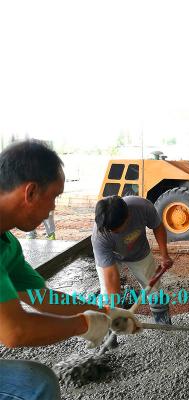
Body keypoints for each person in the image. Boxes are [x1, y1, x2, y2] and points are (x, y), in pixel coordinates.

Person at [0, 140, 138, 400]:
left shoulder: (7, 245)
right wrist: (83, 324)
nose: (53, 208)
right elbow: (14, 331)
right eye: (54, 196)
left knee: (37, 383)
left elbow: (41, 298)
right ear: (30, 192)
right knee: (37, 386)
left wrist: (107, 313)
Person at [92, 195, 173, 325]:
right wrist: (115, 309)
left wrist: (165, 255)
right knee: (108, 296)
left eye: (116, 230)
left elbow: (157, 226)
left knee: (154, 290)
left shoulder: (142, 207)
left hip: (139, 251)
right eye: (110, 230)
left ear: (128, 216)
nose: (113, 232)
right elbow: (111, 275)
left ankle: (163, 324)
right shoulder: (100, 236)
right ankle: (109, 329)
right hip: (111, 255)